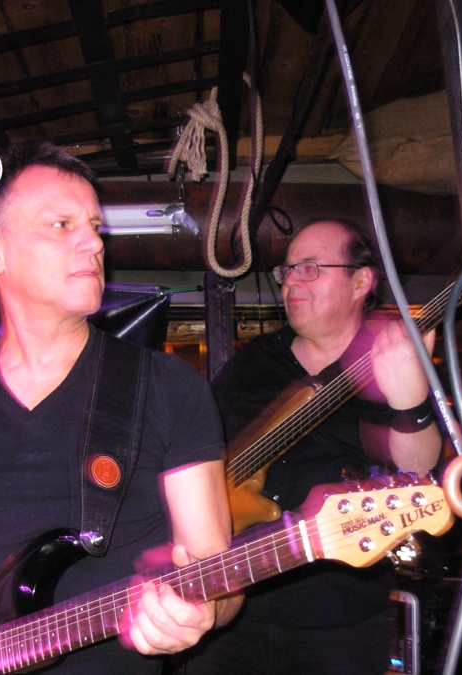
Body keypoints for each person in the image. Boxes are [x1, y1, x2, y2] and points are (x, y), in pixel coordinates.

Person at [0, 141, 242, 675]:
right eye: (61, 225)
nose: (94, 243)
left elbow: (216, 568)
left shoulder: (167, 387)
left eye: (94, 227)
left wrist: (204, 611)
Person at [183, 219, 443, 675]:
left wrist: (412, 404)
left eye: (309, 268)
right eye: (287, 271)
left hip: (339, 623)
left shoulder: (393, 359)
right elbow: (198, 456)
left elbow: (419, 468)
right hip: (233, 610)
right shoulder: (254, 362)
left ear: (360, 282)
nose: (290, 283)